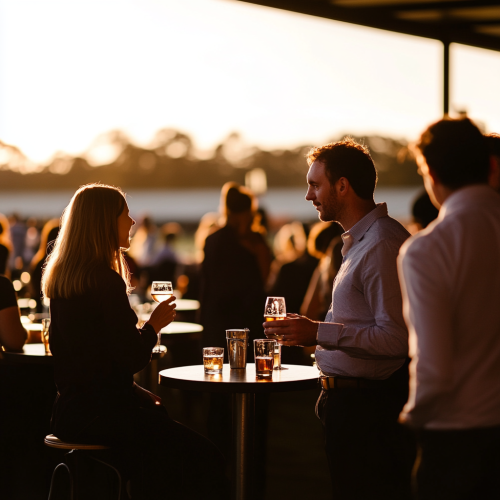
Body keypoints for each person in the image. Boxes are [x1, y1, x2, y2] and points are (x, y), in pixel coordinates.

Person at [42, 183, 227, 499]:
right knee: (206, 457)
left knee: (162, 444)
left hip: (71, 413)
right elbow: (130, 357)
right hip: (103, 415)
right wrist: (153, 326)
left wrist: (132, 388)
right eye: (125, 215)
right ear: (104, 222)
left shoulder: (65, 280)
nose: (132, 222)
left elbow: (92, 357)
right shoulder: (105, 281)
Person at [263, 138, 415, 500]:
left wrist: (317, 331)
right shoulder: (359, 242)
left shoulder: (380, 244)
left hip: (369, 412)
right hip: (351, 406)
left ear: (343, 186)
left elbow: (397, 339)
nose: (308, 196)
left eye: (315, 185)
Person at [398, 118, 500, 499]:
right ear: (489, 166)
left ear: (432, 173)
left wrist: (412, 416)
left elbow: (434, 368)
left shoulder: (428, 249)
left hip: (458, 441)